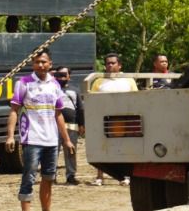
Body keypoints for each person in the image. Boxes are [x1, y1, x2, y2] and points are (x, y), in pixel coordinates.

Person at [5, 49, 72, 211]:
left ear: (50, 64)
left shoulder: (55, 85)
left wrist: (66, 139)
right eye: (37, 62)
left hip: (51, 140)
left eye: (43, 62)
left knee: (49, 178)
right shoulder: (24, 83)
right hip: (32, 139)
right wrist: (11, 136)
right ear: (32, 64)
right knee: (29, 177)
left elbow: (58, 114)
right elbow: (14, 111)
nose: (40, 65)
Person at [87, 53, 136, 185]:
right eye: (108, 63)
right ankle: (99, 177)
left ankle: (126, 176)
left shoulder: (129, 80)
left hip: (124, 119)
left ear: (119, 65)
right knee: (102, 147)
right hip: (104, 120)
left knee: (125, 147)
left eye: (113, 63)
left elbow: (136, 99)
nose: (110, 65)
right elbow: (92, 100)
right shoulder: (98, 80)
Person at [55, 67, 82, 185]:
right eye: (58, 74)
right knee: (52, 152)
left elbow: (80, 109)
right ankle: (51, 175)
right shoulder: (52, 89)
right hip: (54, 127)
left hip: (72, 126)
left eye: (64, 74)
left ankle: (71, 175)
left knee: (71, 151)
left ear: (69, 76)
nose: (61, 77)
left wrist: (82, 124)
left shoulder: (75, 90)